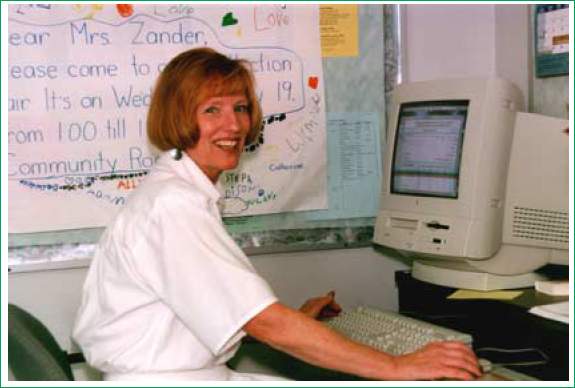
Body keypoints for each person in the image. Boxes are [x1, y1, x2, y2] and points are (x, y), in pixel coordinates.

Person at [73, 47, 481, 381]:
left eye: (240, 107)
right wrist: (397, 366)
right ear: (179, 117)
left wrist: (296, 320)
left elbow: (213, 306)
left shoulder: (177, 193)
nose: (233, 124)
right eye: (211, 110)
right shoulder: (172, 206)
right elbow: (264, 323)